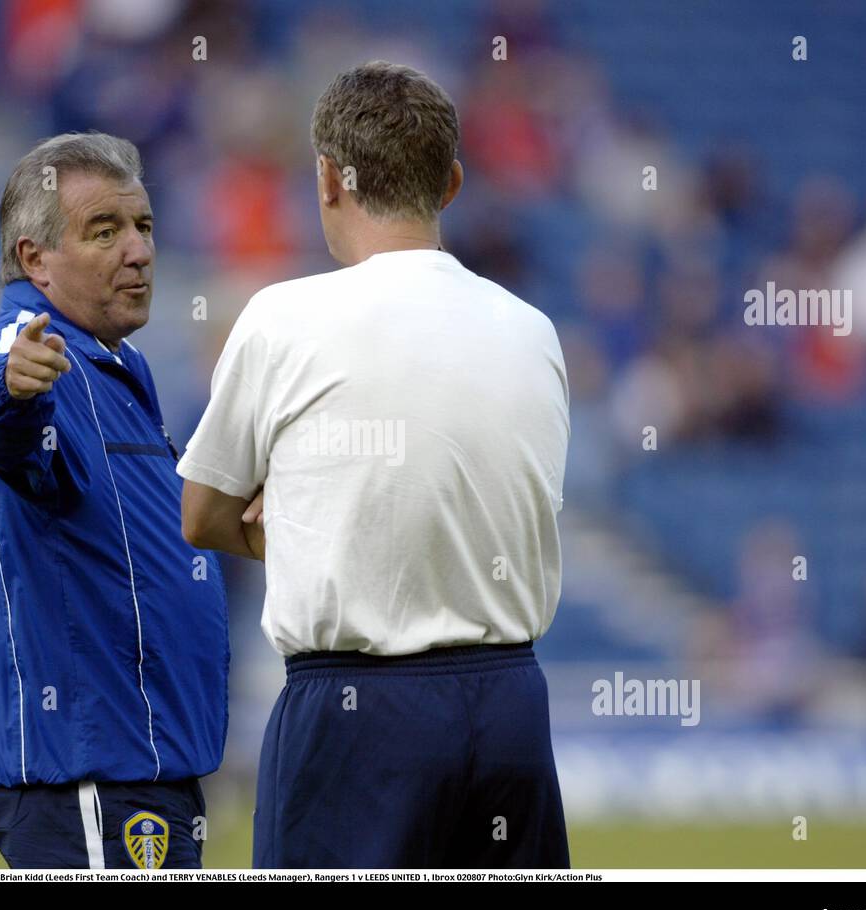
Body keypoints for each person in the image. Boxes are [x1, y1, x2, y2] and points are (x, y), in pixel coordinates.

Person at [178, 62, 572, 868]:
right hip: (509, 706)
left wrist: (304, 522)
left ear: (328, 178)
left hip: (350, 707)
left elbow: (201, 515)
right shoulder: (533, 331)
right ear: (453, 181)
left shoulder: (281, 318)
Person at [0, 132, 229, 870]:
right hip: (89, 768)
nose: (139, 250)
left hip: (135, 760)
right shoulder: (29, 349)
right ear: (35, 259)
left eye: (145, 227)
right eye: (105, 231)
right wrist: (7, 380)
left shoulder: (112, 362)